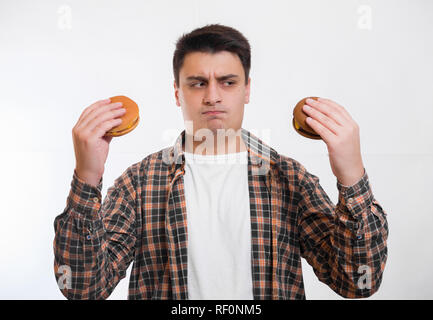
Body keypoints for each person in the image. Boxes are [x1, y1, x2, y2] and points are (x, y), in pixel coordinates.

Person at [53, 23, 388, 300]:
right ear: (177, 93)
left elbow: (357, 282)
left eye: (227, 82)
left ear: (247, 90)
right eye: (197, 83)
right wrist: (87, 176)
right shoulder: (140, 182)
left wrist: (351, 175)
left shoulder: (290, 179)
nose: (212, 96)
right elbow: (83, 287)